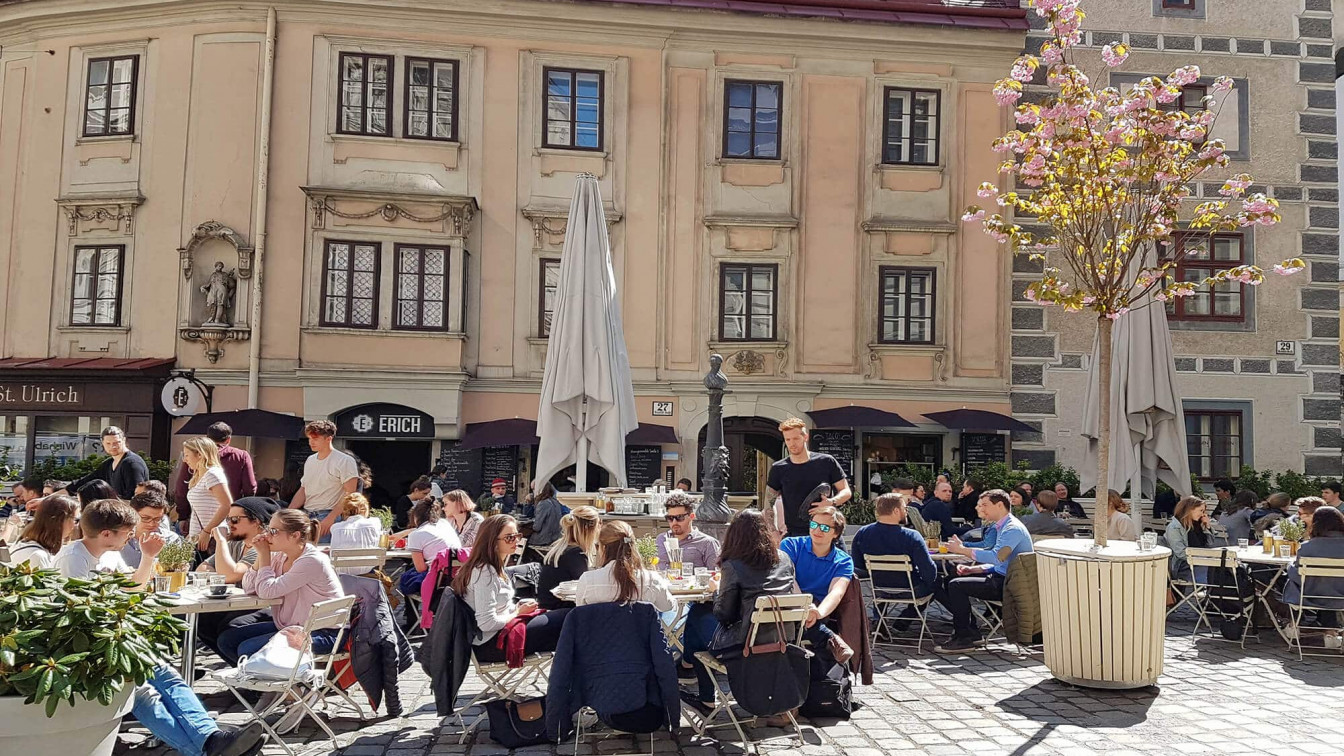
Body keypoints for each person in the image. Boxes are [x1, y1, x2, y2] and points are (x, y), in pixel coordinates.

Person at [52, 499, 265, 756]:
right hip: (92, 646)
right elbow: (79, 613)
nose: (131, 536)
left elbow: (134, 589)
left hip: (121, 638)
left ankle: (211, 740)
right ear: (106, 534)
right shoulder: (73, 558)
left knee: (167, 677)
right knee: (143, 694)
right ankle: (210, 746)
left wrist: (148, 557)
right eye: (127, 533)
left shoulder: (109, 553)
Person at [681, 509, 795, 712]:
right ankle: (688, 668)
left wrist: (716, 591)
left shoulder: (734, 564)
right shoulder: (785, 559)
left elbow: (723, 614)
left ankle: (694, 679)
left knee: (697, 614)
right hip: (780, 640)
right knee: (699, 621)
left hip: (744, 645)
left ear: (734, 534)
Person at [217, 509, 345, 666]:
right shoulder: (280, 555)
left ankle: (284, 687)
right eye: (268, 530)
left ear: (295, 535)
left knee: (247, 648)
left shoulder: (311, 560)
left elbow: (266, 593)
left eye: (274, 531)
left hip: (323, 632)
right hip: (293, 626)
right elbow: (249, 587)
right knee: (227, 640)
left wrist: (264, 555)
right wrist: (260, 558)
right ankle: (254, 688)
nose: (267, 536)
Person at [452, 514, 566, 661]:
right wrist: (518, 612)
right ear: (492, 541)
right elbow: (486, 623)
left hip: (499, 634)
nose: (516, 541)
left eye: (517, 536)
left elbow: (496, 608)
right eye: (509, 538)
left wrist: (515, 607)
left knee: (569, 620)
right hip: (492, 644)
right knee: (570, 619)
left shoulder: (493, 566)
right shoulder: (485, 572)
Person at [933, 489, 1033, 652]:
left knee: (956, 585)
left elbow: (996, 557)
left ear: (1000, 505)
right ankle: (971, 632)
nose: (981, 509)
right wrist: (974, 569)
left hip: (1009, 585)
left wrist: (962, 550)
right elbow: (1002, 563)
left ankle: (964, 638)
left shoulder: (1012, 528)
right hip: (1002, 578)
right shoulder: (1004, 526)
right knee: (949, 580)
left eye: (985, 505)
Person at [195, 497, 280, 658]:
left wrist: (220, 541)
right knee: (202, 620)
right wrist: (223, 573)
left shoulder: (262, 546)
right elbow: (202, 568)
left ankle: (246, 670)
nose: (229, 524)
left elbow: (230, 574)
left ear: (256, 521)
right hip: (236, 603)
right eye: (228, 519)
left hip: (262, 605)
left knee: (229, 626)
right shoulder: (237, 543)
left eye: (235, 519)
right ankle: (238, 668)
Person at [779, 506, 855, 663]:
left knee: (809, 621)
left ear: (836, 534)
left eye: (825, 527)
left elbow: (836, 592)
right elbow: (788, 579)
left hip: (818, 612)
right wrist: (803, 606)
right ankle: (829, 639)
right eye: (814, 524)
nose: (817, 530)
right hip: (789, 602)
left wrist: (818, 612)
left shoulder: (843, 561)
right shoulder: (790, 545)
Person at [765, 417, 851, 539]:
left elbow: (846, 491)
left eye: (795, 438)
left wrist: (831, 502)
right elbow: (768, 504)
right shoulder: (778, 468)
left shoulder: (826, 461)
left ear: (805, 437)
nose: (791, 443)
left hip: (826, 529)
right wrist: (773, 531)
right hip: (796, 534)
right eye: (787, 439)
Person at [850, 493, 938, 601]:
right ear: (896, 511)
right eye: (905, 508)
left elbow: (858, 565)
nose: (906, 512)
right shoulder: (912, 536)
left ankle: (880, 614)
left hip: (878, 590)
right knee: (937, 580)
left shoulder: (862, 533)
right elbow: (929, 574)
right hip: (911, 590)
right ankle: (908, 615)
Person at [575, 520, 675, 611]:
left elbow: (580, 612)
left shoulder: (588, 580)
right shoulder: (651, 579)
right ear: (633, 546)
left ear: (603, 548)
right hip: (638, 631)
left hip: (599, 630)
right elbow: (668, 607)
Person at [173, 422, 256, 527]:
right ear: (228, 439)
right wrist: (242, 513)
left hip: (200, 519)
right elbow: (250, 488)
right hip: (231, 519)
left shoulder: (197, 457)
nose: (185, 459)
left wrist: (183, 516)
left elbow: (181, 488)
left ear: (207, 438)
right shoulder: (241, 456)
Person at [288, 420, 359, 538]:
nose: (311, 442)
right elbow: (304, 489)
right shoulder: (310, 460)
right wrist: (288, 512)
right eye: (309, 438)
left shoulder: (344, 461)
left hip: (329, 514)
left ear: (328, 439)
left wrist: (330, 518)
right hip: (306, 515)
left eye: (315, 438)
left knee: (323, 554)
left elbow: (350, 494)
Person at [537, 506, 601, 610]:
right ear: (588, 529)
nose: (599, 529)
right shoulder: (576, 554)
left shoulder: (561, 548)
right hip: (561, 609)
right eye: (599, 524)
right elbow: (585, 587)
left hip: (548, 604)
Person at [398, 497, 463, 597]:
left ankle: (411, 612)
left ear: (415, 517)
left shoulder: (416, 534)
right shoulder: (445, 524)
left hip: (439, 579)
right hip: (458, 575)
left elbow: (421, 568)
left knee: (406, 578)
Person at [62, 426, 149, 500]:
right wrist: (55, 495)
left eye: (116, 443)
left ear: (124, 440)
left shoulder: (131, 463)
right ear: (102, 443)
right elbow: (84, 482)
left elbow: (136, 498)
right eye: (108, 443)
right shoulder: (109, 464)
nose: (112, 446)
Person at [1283, 507, 1344, 609]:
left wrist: (1289, 566)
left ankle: (1295, 619)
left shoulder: (1306, 547)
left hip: (1309, 598)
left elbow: (1297, 575)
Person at [182, 436, 235, 552]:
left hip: (212, 537)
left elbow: (227, 505)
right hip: (200, 536)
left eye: (186, 455)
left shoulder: (212, 474)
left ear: (200, 455)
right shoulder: (199, 476)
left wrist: (207, 531)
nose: (184, 460)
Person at [8, 495, 79, 568]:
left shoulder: (25, 543)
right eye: (76, 520)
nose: (77, 525)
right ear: (59, 521)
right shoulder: (37, 556)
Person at [656, 492, 721, 570]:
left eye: (679, 517)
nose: (674, 522)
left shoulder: (708, 543)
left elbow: (715, 574)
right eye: (670, 518)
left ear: (691, 516)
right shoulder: (661, 539)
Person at [122, 490, 183, 568]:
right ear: (133, 514)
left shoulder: (171, 539)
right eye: (145, 518)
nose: (152, 524)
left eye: (157, 519)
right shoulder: (118, 538)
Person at [329, 492, 384, 573]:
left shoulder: (335, 528)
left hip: (342, 578)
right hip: (368, 575)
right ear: (365, 508)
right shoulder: (375, 523)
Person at [1165, 496, 1212, 582]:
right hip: (1183, 565)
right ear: (1190, 509)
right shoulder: (1174, 528)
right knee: (1213, 571)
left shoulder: (1198, 525)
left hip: (1200, 562)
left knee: (1224, 568)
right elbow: (1180, 553)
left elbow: (1210, 544)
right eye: (1201, 511)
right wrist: (1202, 557)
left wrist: (1207, 527)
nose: (1203, 514)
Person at [531, 482, 564, 546]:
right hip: (556, 537)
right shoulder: (556, 502)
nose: (533, 491)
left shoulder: (543, 504)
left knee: (523, 539)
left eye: (534, 489)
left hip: (545, 539)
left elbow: (537, 527)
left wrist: (528, 504)